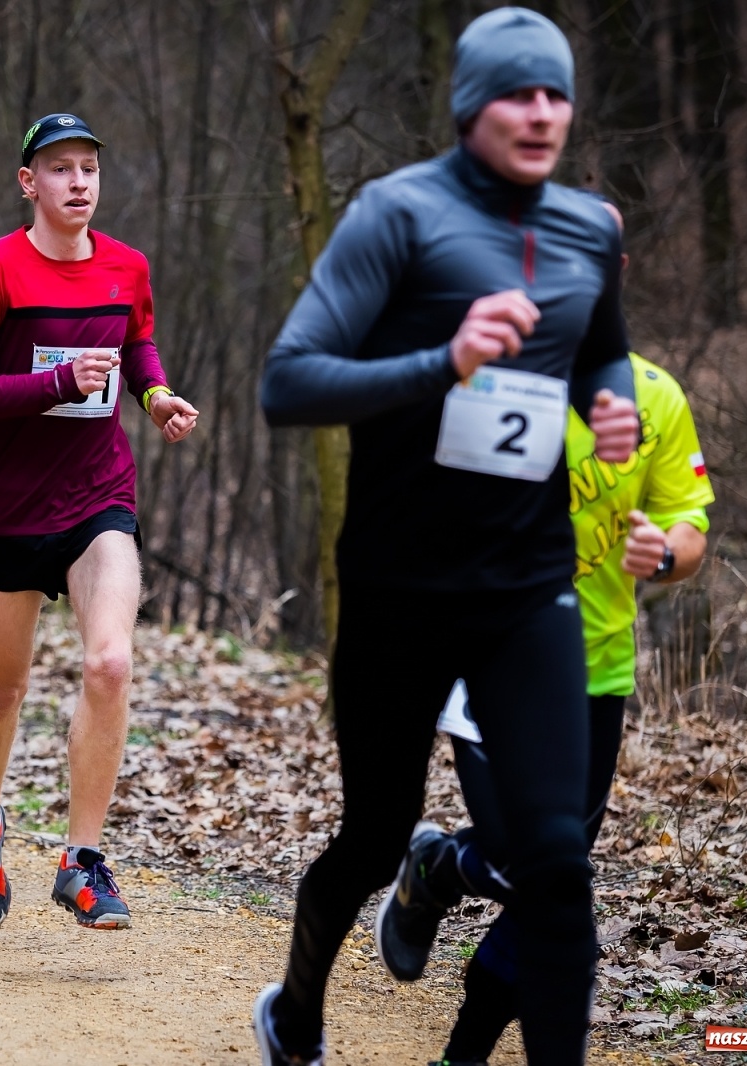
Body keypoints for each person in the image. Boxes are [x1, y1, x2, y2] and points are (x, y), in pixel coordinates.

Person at [252, 9, 640, 1066]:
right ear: (472, 105)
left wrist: (610, 407)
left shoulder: (587, 229)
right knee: (374, 837)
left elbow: (600, 350)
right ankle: (295, 1004)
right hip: (397, 586)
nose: (542, 112)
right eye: (519, 93)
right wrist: (442, 362)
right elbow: (286, 384)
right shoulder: (399, 214)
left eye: (556, 93)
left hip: (525, 586)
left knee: (557, 859)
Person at [389, 201, 715, 1066]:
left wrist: (665, 553)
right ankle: (440, 870)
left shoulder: (654, 397)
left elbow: (691, 531)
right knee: (528, 867)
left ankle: (458, 1030)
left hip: (595, 676)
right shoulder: (490, 376)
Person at [0, 113, 198, 931]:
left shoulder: (128, 266)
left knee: (111, 663)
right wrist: (53, 386)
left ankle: (83, 862)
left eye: (89, 168)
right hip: (10, 514)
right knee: (3, 691)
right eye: (60, 169)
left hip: (97, 499)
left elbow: (139, 340)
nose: (79, 182)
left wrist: (153, 396)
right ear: (29, 183)